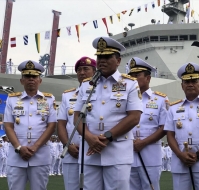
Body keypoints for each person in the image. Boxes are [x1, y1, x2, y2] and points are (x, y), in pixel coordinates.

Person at [73, 36, 143, 190]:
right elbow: (77, 116)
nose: (102, 60)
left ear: (118, 60)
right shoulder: (87, 84)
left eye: (107, 57)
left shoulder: (130, 83)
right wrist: (90, 138)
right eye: (99, 56)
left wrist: (107, 137)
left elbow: (134, 117)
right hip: (89, 152)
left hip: (117, 152)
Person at [164, 62, 199, 190]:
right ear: (182, 86)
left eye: (194, 81)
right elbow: (170, 135)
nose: (190, 84)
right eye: (186, 82)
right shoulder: (173, 108)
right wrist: (180, 155)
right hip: (180, 163)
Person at [3, 60, 57, 190]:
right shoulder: (12, 99)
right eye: (27, 76)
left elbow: (51, 126)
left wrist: (35, 147)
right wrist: (19, 147)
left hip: (40, 156)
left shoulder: (49, 99)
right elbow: (8, 126)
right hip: (17, 156)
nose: (31, 79)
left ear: (40, 80)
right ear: (22, 81)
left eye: (34, 76)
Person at [127, 57, 167, 190]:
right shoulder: (124, 99)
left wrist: (143, 143)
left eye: (137, 75)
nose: (133, 78)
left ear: (148, 78)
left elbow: (164, 127)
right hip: (128, 154)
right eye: (131, 76)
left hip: (150, 155)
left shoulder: (160, 99)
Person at [57, 56, 96, 190]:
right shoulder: (67, 96)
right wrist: (68, 145)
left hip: (93, 151)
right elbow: (61, 124)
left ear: (95, 72)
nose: (82, 72)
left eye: (86, 69)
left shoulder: (102, 94)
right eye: (79, 70)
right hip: (72, 152)